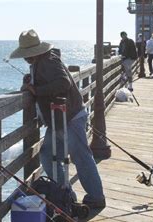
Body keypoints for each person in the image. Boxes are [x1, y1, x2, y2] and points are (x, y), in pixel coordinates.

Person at [9, 29, 106, 209]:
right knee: (48, 155)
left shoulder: (49, 61)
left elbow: (63, 83)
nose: (26, 58)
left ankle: (96, 196)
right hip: (59, 119)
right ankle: (65, 192)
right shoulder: (41, 62)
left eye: (27, 55)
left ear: (36, 51)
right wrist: (32, 81)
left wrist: (36, 90)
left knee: (80, 157)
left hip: (69, 117)